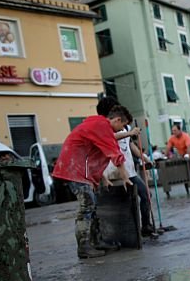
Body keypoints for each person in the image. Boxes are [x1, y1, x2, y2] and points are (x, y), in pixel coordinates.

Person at [52, 106, 132, 259]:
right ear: (117, 120)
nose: (122, 130)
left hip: (78, 168)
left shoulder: (97, 125)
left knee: (91, 205)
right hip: (75, 168)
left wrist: (102, 178)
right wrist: (126, 178)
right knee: (87, 206)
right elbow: (115, 153)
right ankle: (84, 247)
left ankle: (96, 241)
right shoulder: (102, 126)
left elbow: (93, 154)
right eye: (123, 126)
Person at [103, 106, 159, 236]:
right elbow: (111, 138)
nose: (123, 128)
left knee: (146, 195)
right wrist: (129, 133)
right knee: (121, 203)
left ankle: (146, 225)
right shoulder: (106, 129)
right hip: (112, 173)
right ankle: (124, 231)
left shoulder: (126, 129)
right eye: (123, 125)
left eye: (126, 125)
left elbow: (131, 146)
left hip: (129, 171)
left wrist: (145, 158)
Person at [166, 123, 190, 191]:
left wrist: (187, 154)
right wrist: (166, 155)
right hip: (182, 156)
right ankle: (189, 184)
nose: (173, 132)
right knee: (184, 170)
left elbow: (189, 146)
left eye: (175, 130)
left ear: (180, 130)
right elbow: (168, 147)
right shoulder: (172, 138)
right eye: (172, 131)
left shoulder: (185, 136)